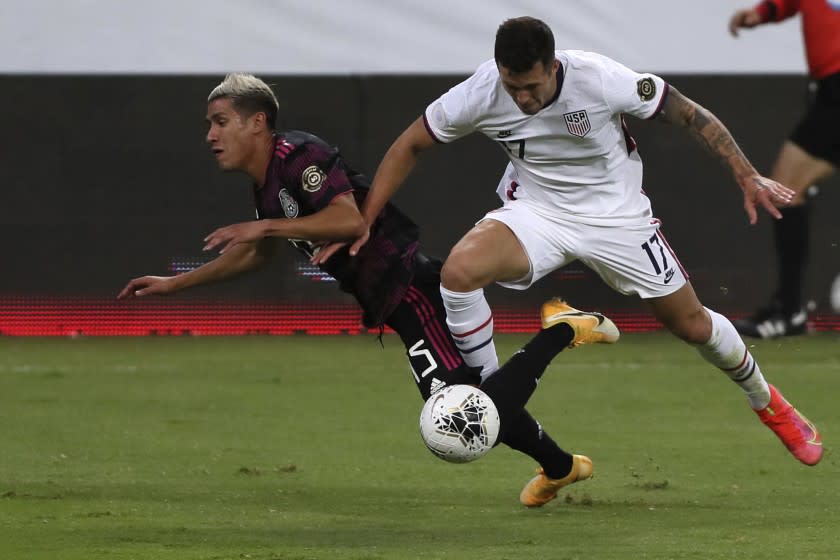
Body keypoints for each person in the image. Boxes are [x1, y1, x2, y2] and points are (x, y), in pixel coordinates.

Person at [323, 17, 824, 466]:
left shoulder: (599, 78)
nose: (521, 98)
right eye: (511, 86)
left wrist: (747, 174)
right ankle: (491, 397)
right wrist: (366, 219)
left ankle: (768, 402)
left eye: (531, 86)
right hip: (538, 212)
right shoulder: (481, 91)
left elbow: (691, 115)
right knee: (458, 273)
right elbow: (411, 141)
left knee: (692, 326)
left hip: (616, 219)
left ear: (553, 66)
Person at [116, 72, 622, 507]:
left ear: (257, 122)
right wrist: (176, 284)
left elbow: (346, 217)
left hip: (413, 290)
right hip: (396, 303)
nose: (210, 134)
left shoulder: (298, 155)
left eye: (220, 121)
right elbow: (255, 254)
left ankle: (561, 332)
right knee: (476, 406)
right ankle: (560, 467)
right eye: (210, 123)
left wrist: (264, 228)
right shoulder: (267, 186)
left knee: (461, 416)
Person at [728, 1, 840, 338]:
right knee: (788, 188)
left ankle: (789, 310)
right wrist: (764, 13)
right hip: (828, 92)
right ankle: (788, 309)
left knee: (786, 188)